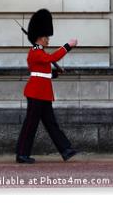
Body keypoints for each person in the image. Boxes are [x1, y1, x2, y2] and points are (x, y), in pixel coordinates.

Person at [15, 9, 78, 164]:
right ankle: (21, 154)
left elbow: (44, 72)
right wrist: (67, 46)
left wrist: (56, 73)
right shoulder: (35, 52)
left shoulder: (40, 52)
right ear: (40, 38)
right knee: (31, 125)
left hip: (43, 93)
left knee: (51, 124)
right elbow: (51, 58)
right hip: (36, 93)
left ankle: (66, 149)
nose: (48, 40)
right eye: (46, 38)